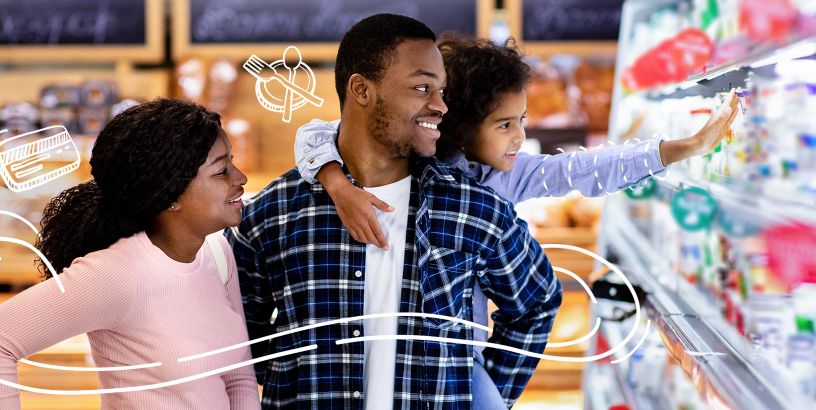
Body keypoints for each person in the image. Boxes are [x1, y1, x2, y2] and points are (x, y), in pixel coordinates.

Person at [293, 36, 740, 409]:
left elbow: (585, 170)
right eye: (505, 124)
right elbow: (314, 132)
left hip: (455, 365)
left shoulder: (504, 179)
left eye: (521, 121)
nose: (520, 136)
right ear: (461, 127)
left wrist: (682, 147)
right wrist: (337, 184)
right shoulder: (403, 161)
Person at [228, 14, 562, 409]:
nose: (439, 106)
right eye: (422, 87)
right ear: (361, 90)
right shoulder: (273, 215)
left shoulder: (473, 210)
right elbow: (239, 340)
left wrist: (478, 397)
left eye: (442, 91)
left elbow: (535, 305)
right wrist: (297, 381)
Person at [0, 99, 258, 409]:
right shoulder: (117, 274)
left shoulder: (217, 252)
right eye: (222, 171)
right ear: (171, 194)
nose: (240, 178)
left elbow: (238, 378)